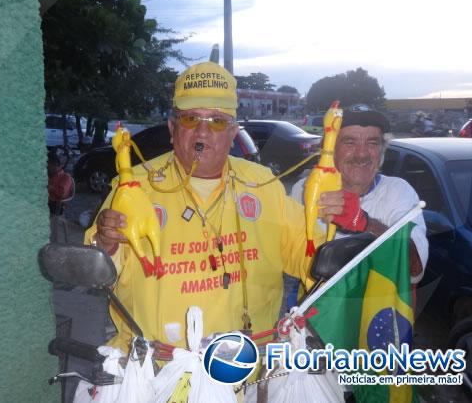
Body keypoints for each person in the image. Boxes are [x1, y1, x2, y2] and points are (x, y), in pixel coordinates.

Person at [85, 61, 330, 352]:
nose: (202, 132)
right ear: (172, 128)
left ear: (233, 132)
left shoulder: (262, 184)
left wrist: (337, 238)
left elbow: (311, 257)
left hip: (244, 370)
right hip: (154, 372)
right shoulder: (133, 186)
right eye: (190, 119)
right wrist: (106, 242)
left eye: (216, 121)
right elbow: (96, 270)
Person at [291, 109, 428, 288]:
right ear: (330, 149)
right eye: (349, 142)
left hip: (377, 312)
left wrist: (365, 224)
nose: (361, 154)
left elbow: (415, 270)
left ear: (382, 151)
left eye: (372, 143)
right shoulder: (303, 190)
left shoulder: (399, 191)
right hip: (315, 311)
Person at [47, 152, 74, 216]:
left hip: (55, 204)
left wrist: (50, 187)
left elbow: (62, 193)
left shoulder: (65, 177)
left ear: (54, 165)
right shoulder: (49, 175)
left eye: (48, 166)